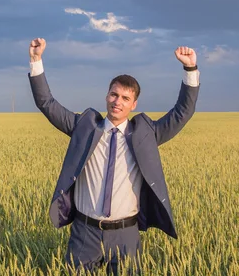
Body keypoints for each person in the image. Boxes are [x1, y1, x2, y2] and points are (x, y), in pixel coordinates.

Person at [28, 37, 200, 275]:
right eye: (114, 95)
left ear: (134, 104)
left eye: (125, 98)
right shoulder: (85, 126)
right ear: (107, 96)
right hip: (84, 232)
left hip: (125, 235)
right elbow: (46, 103)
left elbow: (183, 112)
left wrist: (189, 68)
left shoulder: (145, 135)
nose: (117, 102)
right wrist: (36, 60)